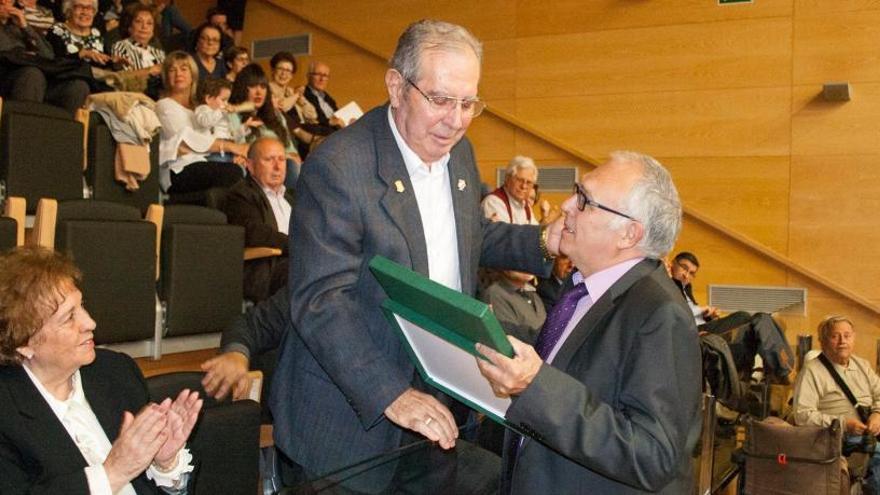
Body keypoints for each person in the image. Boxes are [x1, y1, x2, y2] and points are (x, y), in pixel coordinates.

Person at [269, 19, 560, 493]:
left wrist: (548, 242)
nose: (457, 119)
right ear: (396, 86)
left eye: (469, 103)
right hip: (349, 422)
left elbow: (471, 233)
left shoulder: (459, 153)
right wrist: (392, 395)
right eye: (441, 100)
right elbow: (321, 300)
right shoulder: (340, 167)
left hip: (437, 406)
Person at [476, 151, 702, 494]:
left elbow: (653, 454)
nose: (566, 206)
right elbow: (566, 359)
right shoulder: (583, 285)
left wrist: (537, 386)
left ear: (628, 234)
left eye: (584, 200)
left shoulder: (659, 313)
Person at [0, 246, 203, 494]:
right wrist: (113, 472)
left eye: (82, 306)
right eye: (68, 318)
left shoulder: (115, 372)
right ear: (25, 344)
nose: (90, 323)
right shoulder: (7, 413)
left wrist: (164, 464)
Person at [792, 315, 880, 491]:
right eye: (835, 336)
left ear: (853, 338)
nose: (842, 342)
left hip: (869, 432)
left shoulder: (862, 365)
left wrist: (877, 414)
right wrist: (843, 423)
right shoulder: (812, 371)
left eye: (847, 336)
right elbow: (802, 415)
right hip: (836, 437)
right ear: (823, 341)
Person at [154, 51, 248, 194]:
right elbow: (185, 141)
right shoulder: (164, 105)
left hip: (205, 163)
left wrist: (234, 155)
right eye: (172, 70)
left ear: (193, 75)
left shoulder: (200, 108)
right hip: (179, 169)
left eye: (184, 69)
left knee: (245, 172)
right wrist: (229, 147)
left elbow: (216, 134)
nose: (178, 73)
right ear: (166, 77)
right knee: (232, 173)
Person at [223, 137, 293, 303]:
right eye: (269, 160)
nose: (277, 167)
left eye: (282, 159)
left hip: (297, 260)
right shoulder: (240, 195)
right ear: (250, 165)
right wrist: (297, 245)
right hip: (267, 268)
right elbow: (254, 233)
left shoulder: (292, 198)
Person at [0, 0, 90, 113]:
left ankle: (66, 130)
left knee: (78, 87)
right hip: (8, 75)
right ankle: (24, 129)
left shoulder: (20, 25)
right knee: (32, 74)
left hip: (41, 77)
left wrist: (25, 26)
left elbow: (49, 56)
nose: (3, 2)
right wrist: (20, 55)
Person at [228, 63, 301, 188]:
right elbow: (240, 149)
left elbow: (293, 155)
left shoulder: (276, 115)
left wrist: (283, 157)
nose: (259, 92)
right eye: (253, 86)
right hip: (255, 169)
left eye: (263, 86)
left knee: (295, 166)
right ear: (242, 88)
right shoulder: (233, 115)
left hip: (283, 168)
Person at [267, 50, 317, 156]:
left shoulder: (290, 92)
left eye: (288, 71)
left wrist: (301, 100)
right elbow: (282, 107)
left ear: (292, 75)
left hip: (301, 133)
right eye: (280, 69)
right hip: (284, 135)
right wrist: (296, 96)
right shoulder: (267, 89)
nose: (284, 74)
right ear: (272, 70)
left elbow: (312, 115)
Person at [110, 3, 163, 91]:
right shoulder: (120, 46)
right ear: (129, 27)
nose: (144, 26)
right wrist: (150, 70)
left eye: (149, 23)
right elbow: (123, 78)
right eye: (138, 21)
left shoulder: (159, 53)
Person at [482, 155, 539, 225]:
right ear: (507, 179)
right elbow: (505, 234)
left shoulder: (526, 206)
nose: (524, 186)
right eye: (520, 180)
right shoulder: (493, 202)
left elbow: (535, 232)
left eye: (529, 182)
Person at [302, 59, 345, 134]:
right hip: (320, 136)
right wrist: (329, 122)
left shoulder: (329, 99)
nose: (322, 79)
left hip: (336, 134)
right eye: (318, 74)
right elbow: (310, 122)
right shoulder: (303, 95)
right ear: (308, 76)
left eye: (325, 76)